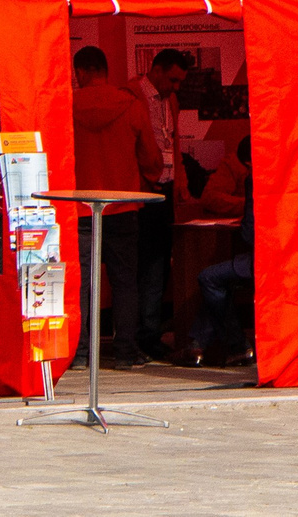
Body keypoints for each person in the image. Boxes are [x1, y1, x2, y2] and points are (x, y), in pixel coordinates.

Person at [71, 45, 157, 368]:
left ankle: (80, 354)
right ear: (105, 70)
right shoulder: (131, 106)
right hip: (122, 208)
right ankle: (125, 353)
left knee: (83, 283)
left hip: (80, 209)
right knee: (125, 283)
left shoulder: (68, 106)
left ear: (81, 72)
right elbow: (152, 159)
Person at [131, 48, 192, 358]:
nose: (175, 86)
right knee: (145, 265)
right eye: (172, 79)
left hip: (163, 188)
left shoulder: (170, 101)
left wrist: (179, 180)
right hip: (144, 191)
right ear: (155, 70)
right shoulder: (132, 96)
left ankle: (149, 331)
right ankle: (140, 333)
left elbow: (174, 142)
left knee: (157, 264)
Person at [184, 136, 255, 367]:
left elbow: (248, 234)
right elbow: (211, 197)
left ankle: (231, 345)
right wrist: (244, 203)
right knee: (220, 282)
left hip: (260, 258)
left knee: (211, 278)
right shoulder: (233, 165)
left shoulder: (254, 177)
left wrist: (247, 207)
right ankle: (201, 345)